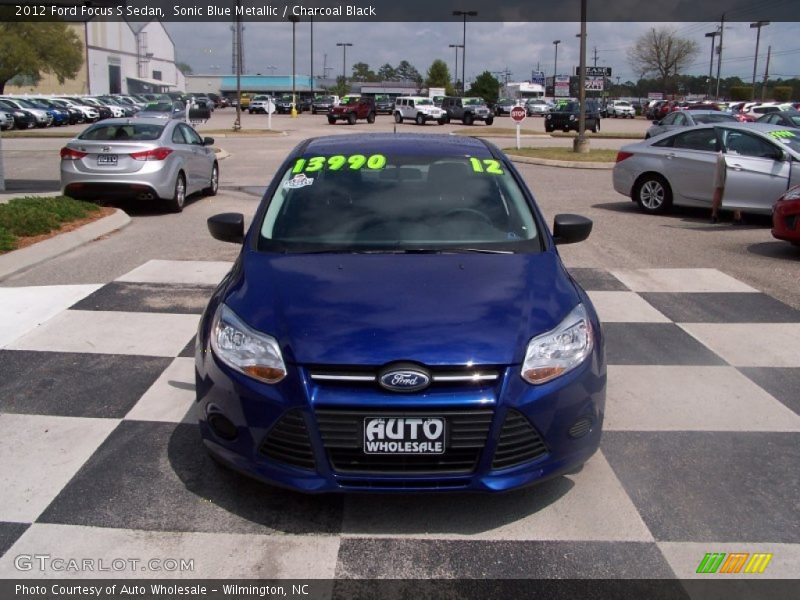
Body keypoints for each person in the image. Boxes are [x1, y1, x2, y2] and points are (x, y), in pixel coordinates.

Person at [710, 150, 743, 224]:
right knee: (735, 187)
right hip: (735, 155)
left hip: (722, 154)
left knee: (719, 187)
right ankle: (737, 217)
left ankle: (714, 216)